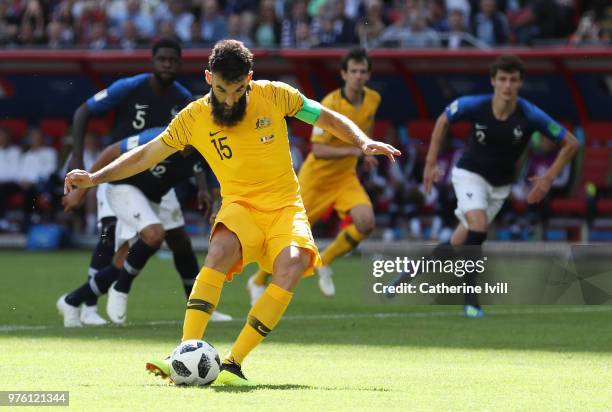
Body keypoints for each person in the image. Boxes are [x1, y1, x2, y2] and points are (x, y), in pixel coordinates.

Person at [64, 40, 400, 386]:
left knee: (294, 263)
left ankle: (233, 365)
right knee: (220, 250)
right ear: (208, 77)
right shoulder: (193, 117)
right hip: (240, 204)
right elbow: (148, 154)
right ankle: (182, 355)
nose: (228, 99)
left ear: (250, 79)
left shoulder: (275, 94)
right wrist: (95, 177)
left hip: (285, 205)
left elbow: (322, 115)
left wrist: (361, 141)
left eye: (238, 89)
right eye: (221, 88)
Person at [388, 55, 578, 318]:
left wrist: (548, 178)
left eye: (513, 80)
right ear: (493, 81)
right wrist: (430, 163)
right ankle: (471, 302)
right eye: (502, 79)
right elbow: (443, 120)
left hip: (499, 188)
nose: (507, 85)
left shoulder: (530, 114)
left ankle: (410, 271)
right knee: (479, 226)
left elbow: (570, 142)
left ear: (520, 83)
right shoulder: (475, 105)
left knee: (458, 243)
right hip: (469, 175)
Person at [67, 38, 198, 325]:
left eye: (172, 60)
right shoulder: (129, 87)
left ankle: (199, 307)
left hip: (159, 181)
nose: (167, 64)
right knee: (110, 236)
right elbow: (83, 112)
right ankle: (87, 307)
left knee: (179, 240)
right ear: (152, 61)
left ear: (179, 63)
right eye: (162, 59)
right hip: (119, 173)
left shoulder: (185, 100)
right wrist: (78, 162)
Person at [58, 127, 231, 327]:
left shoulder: (206, 146)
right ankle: (121, 288)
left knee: (122, 261)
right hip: (124, 188)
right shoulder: (162, 136)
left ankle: (71, 301)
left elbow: (210, 174)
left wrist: (210, 198)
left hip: (154, 197)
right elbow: (112, 150)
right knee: (154, 234)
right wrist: (85, 186)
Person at [248, 47, 381, 302]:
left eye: (363, 71)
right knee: (290, 241)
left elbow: (366, 129)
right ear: (344, 74)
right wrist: (358, 153)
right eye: (353, 71)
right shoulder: (331, 104)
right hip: (315, 180)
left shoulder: (373, 99)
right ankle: (258, 280)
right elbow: (318, 150)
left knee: (366, 222)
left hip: (345, 179)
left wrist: (366, 151)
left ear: (368, 75)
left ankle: (325, 261)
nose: (358, 76)